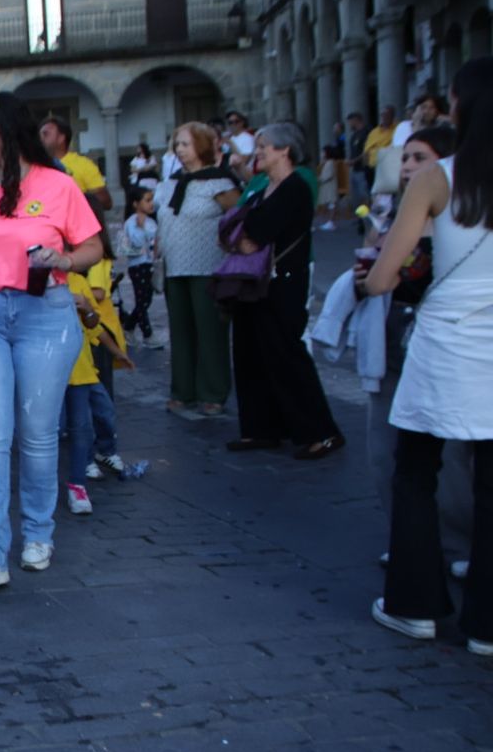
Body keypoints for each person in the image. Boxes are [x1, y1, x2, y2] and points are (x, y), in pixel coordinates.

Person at [0, 89, 104, 588]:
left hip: (45, 313)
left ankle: (39, 533)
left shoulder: (58, 185)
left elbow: (94, 246)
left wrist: (64, 261)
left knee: (37, 436)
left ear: (8, 132)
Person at [365, 56, 493, 656]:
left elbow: (386, 275)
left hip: (447, 343)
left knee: (416, 471)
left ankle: (414, 604)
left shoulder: (437, 177)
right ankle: (487, 625)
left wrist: (375, 280)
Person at [225, 122, 343, 459]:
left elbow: (255, 231)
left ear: (284, 150)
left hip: (283, 279)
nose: (257, 152)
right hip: (255, 281)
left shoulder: (296, 186)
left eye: (264, 146)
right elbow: (237, 228)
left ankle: (320, 430)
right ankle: (262, 428)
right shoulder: (263, 186)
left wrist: (244, 231)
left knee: (285, 352)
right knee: (249, 351)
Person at [154, 122, 238, 415]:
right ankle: (183, 390)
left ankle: (213, 392)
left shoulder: (220, 182)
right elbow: (163, 222)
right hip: (174, 266)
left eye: (186, 144)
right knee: (180, 331)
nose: (179, 149)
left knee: (210, 331)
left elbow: (238, 218)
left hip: (207, 266)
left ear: (201, 146)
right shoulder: (168, 184)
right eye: (177, 144)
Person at [64, 231, 134, 514]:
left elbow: (94, 324)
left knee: (84, 425)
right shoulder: (32, 284)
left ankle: (79, 482)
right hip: (46, 373)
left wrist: (86, 310)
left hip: (81, 372)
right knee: (49, 433)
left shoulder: (79, 282)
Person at [39, 117, 111, 213]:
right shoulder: (33, 167)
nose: (40, 139)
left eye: (45, 134)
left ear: (61, 138)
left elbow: (106, 202)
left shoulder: (84, 165)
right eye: (38, 135)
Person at [120, 186, 161, 348]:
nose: (151, 204)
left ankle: (129, 326)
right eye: (147, 200)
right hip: (138, 265)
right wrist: (142, 228)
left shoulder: (151, 221)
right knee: (142, 300)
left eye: (152, 200)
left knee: (146, 299)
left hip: (150, 264)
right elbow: (137, 243)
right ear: (136, 204)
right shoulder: (132, 222)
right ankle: (147, 333)